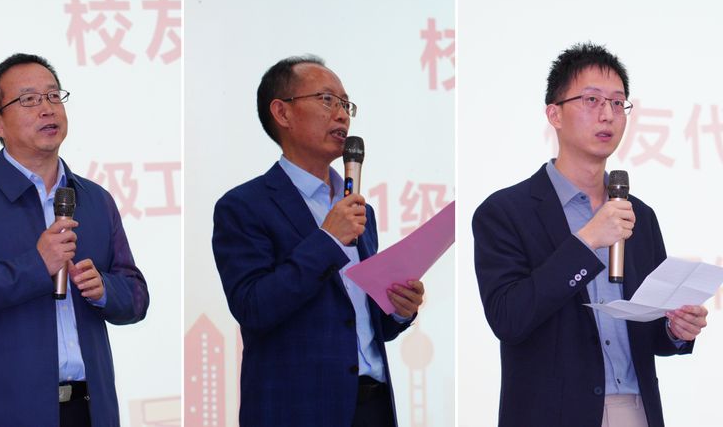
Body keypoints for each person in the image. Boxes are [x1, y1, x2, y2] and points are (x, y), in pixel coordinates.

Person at [472, 42, 708, 427]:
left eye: (617, 103)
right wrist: (586, 243)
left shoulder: (639, 215)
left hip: (635, 410)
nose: (607, 114)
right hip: (551, 416)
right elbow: (508, 319)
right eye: (592, 100)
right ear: (554, 114)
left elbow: (650, 333)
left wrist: (674, 329)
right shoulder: (505, 212)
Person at [0, 53, 149, 427]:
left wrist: (105, 290)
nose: (47, 108)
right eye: (28, 99)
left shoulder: (95, 199)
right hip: (4, 414)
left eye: (53, 96)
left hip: (90, 410)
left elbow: (136, 296)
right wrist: (35, 266)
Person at [212, 55, 424, 427]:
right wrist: (327, 239)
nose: (341, 115)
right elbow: (253, 307)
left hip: (373, 406)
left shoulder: (359, 210)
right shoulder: (244, 206)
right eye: (327, 100)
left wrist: (398, 309)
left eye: (346, 105)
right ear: (282, 112)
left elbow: (361, 321)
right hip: (297, 410)